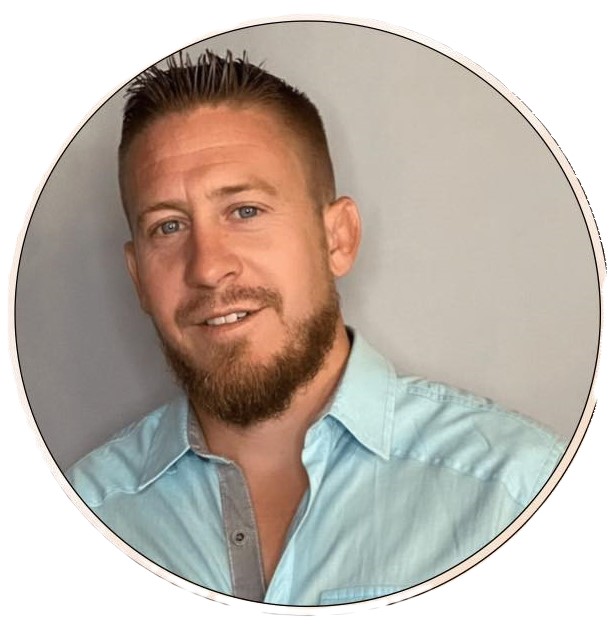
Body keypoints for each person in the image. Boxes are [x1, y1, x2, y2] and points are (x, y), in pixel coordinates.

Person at [67, 51, 565, 607]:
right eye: (169, 226)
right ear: (138, 276)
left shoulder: (518, 491)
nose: (207, 267)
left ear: (337, 238)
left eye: (245, 211)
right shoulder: (77, 520)